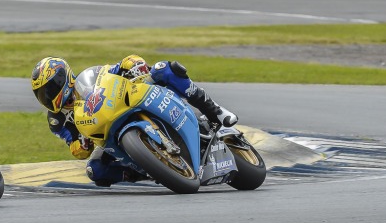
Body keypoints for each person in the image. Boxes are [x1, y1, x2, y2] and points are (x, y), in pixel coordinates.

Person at [30, 55, 238, 187]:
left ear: (62, 79)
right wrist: (82, 144)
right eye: (42, 94)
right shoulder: (56, 120)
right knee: (95, 170)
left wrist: (135, 65)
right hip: (107, 136)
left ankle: (214, 110)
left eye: (49, 89)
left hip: (128, 102)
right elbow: (74, 147)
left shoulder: (89, 76)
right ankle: (150, 170)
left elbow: (118, 67)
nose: (47, 98)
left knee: (163, 68)